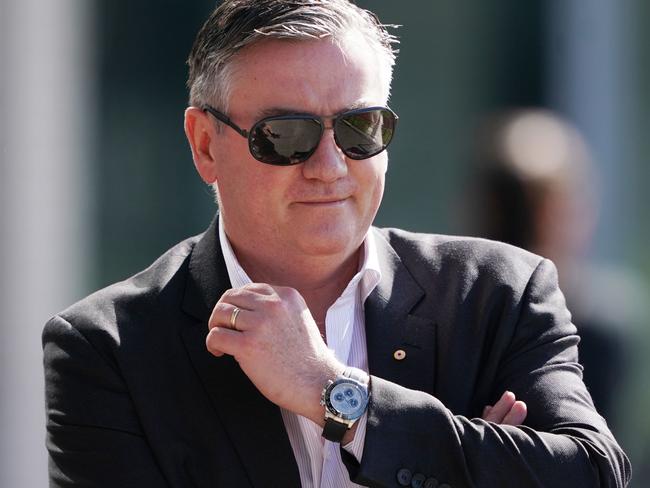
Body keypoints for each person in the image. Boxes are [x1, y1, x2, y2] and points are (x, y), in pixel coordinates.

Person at [42, 1, 630, 487]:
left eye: (360, 128)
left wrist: (335, 395)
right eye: (285, 135)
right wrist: (470, 458)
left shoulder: (499, 293)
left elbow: (594, 476)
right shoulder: (108, 348)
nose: (329, 166)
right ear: (204, 145)